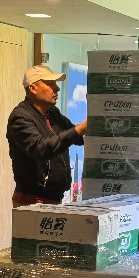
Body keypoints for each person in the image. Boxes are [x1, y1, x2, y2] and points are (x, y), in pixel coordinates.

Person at [7, 65, 87, 205]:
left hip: (54, 199)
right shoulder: (20, 117)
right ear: (33, 88)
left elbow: (75, 136)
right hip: (33, 201)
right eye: (50, 83)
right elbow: (41, 148)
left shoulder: (53, 113)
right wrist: (79, 130)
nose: (56, 88)